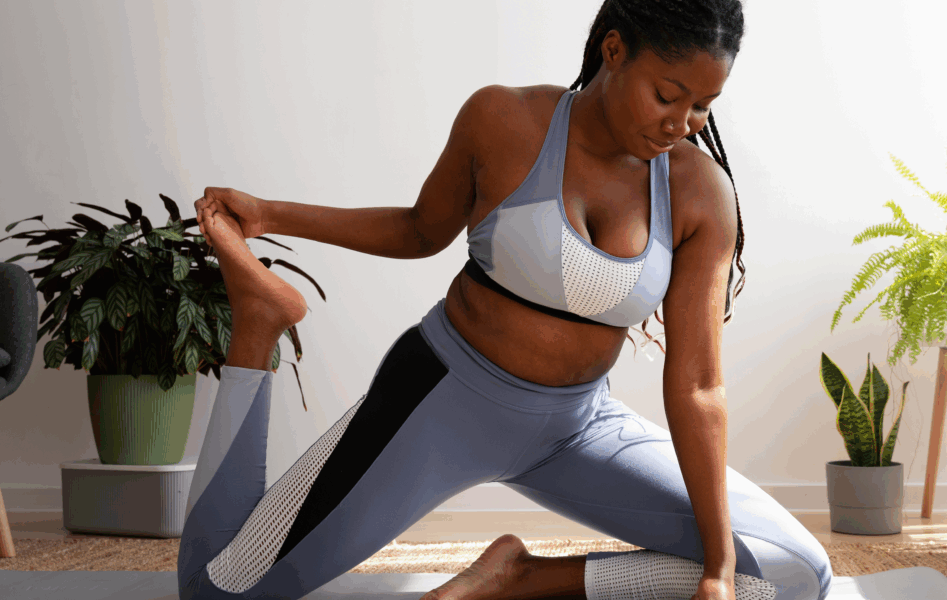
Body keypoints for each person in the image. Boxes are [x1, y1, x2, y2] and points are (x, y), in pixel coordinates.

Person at [177, 1, 834, 599]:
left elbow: (695, 384)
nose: (680, 124)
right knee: (217, 592)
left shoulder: (698, 191)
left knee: (791, 574)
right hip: (439, 405)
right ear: (613, 51)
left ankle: (516, 578)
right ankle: (258, 320)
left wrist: (719, 567)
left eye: (703, 107)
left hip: (577, 428)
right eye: (668, 95)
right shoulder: (504, 119)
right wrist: (269, 214)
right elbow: (418, 229)